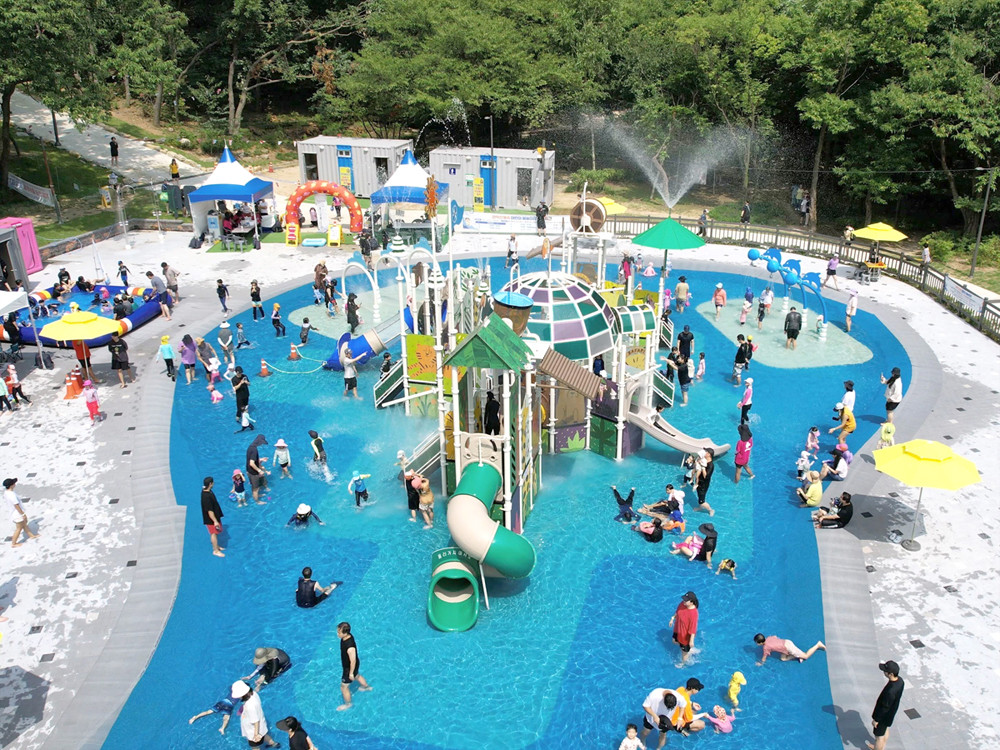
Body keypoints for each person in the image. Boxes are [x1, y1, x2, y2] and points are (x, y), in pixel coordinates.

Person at [868, 660, 904, 750]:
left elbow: (884, 708)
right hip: (890, 714)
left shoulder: (890, 691)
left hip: (883, 716)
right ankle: (882, 747)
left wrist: (876, 720)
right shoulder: (900, 681)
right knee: (885, 730)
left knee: (878, 737)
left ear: (890, 674)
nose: (884, 672)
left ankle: (878, 748)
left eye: (885, 671)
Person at [337, 622, 372, 710]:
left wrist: (351, 673)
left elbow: (353, 661)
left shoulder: (350, 646)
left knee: (344, 687)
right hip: (351, 666)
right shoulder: (347, 636)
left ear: (345, 633)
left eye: (339, 632)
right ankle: (367, 687)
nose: (337, 634)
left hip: (349, 668)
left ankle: (348, 704)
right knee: (357, 676)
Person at [5, 477, 38, 548]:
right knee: (19, 528)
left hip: (14, 513)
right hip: (17, 514)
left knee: (24, 524)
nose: (15, 484)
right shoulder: (12, 495)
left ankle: (31, 536)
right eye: (14, 483)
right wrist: (23, 514)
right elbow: (16, 505)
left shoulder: (7, 492)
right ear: (11, 485)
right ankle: (14, 543)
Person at [754, 632, 826, 665]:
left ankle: (818, 645)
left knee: (806, 656)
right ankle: (798, 656)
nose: (756, 644)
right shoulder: (768, 638)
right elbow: (775, 637)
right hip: (786, 642)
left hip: (789, 648)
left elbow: (764, 658)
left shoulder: (766, 648)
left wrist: (761, 663)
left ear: (760, 643)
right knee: (783, 659)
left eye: (757, 643)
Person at [669, 591, 699, 665]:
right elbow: (678, 612)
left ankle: (683, 663)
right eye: (684, 599)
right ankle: (689, 650)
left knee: (684, 652)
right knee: (674, 641)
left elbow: (693, 628)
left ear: (691, 602)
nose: (683, 601)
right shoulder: (682, 604)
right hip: (677, 629)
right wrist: (672, 618)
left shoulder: (694, 613)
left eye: (686, 600)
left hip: (685, 636)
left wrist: (691, 641)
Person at [200, 477, 225, 558]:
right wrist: (215, 521)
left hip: (215, 516)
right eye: (213, 482)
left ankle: (216, 546)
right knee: (213, 533)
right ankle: (215, 551)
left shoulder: (207, 490)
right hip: (211, 519)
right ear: (210, 484)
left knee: (216, 532)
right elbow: (210, 511)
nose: (214, 484)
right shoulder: (206, 497)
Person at [246, 435, 270, 504]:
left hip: (249, 471)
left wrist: (261, 459)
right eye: (262, 443)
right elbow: (252, 463)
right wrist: (259, 471)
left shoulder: (250, 447)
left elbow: (251, 459)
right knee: (255, 489)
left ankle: (256, 496)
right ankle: (257, 501)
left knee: (254, 486)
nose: (261, 444)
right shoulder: (254, 450)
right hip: (253, 473)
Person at [693, 447, 715, 516]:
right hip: (699, 482)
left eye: (706, 452)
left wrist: (703, 467)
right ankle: (700, 507)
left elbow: (706, 476)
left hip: (703, 485)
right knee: (699, 496)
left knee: (702, 501)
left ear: (708, 454)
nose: (704, 453)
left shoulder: (711, 465)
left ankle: (711, 510)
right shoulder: (704, 460)